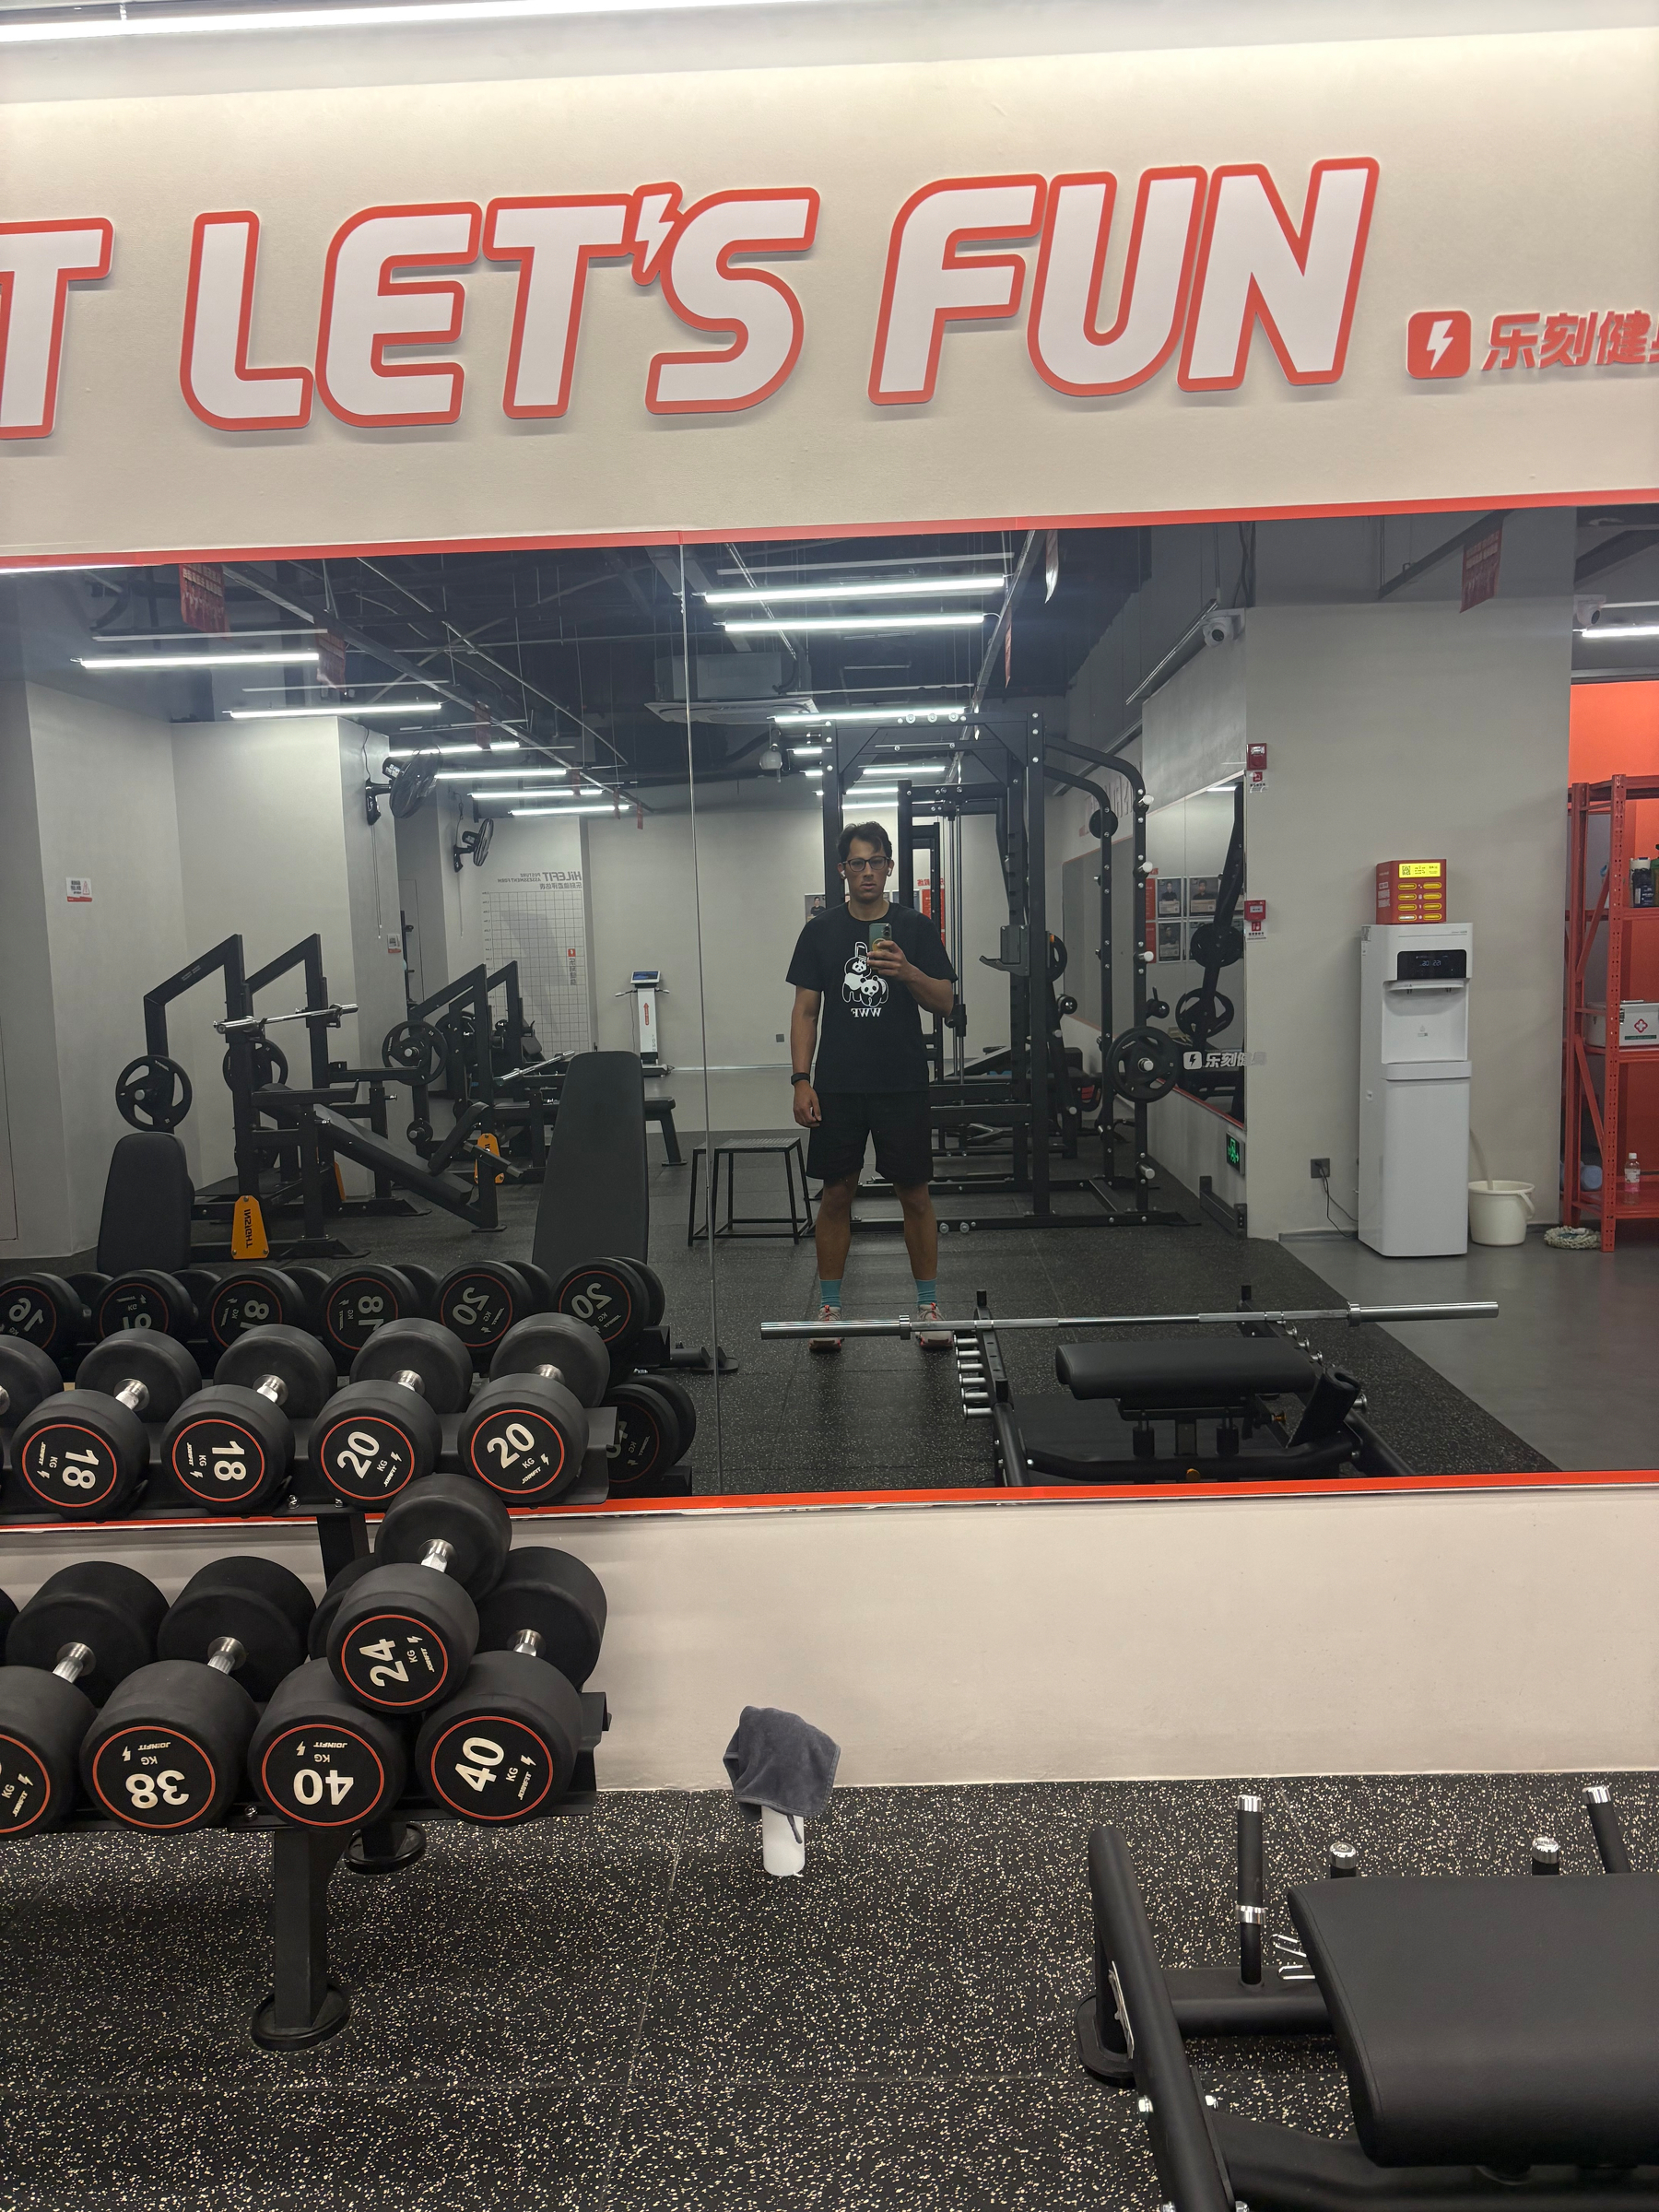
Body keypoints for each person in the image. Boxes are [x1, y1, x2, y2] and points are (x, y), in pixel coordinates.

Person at [786, 821, 958, 1352]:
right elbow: (805, 1011)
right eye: (856, 863)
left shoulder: (916, 927)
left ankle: (928, 1307)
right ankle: (830, 1310)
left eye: (875, 861)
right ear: (843, 871)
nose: (866, 872)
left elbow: (946, 1004)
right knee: (836, 1193)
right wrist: (800, 1080)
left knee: (915, 1195)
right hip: (838, 1085)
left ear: (888, 867)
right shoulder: (821, 931)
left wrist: (907, 972)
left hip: (900, 1082)